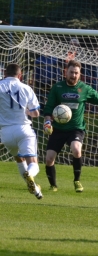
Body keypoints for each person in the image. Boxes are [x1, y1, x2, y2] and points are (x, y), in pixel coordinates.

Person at [43, 60, 98, 192]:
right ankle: (53, 185)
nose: (73, 75)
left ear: (80, 74)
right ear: (66, 72)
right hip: (58, 129)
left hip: (76, 128)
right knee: (49, 159)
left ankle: (77, 180)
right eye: (71, 72)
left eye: (76, 73)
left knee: (76, 149)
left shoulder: (84, 89)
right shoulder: (57, 88)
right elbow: (49, 108)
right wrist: (48, 122)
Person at [0, 63, 43, 199]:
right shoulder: (26, 88)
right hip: (24, 130)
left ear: (5, 74)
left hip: (6, 133)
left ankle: (36, 190)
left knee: (19, 158)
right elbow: (36, 113)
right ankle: (30, 175)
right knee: (33, 164)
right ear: (20, 76)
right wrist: (26, 111)